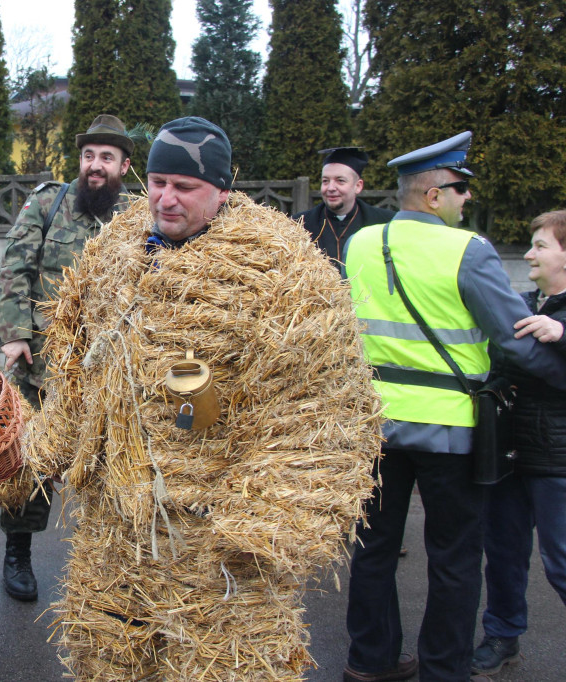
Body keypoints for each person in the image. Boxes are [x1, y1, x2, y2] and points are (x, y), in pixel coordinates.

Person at [21, 117, 385, 679]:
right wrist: (37, 451)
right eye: (157, 181)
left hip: (212, 540)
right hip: (114, 528)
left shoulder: (281, 272)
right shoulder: (113, 251)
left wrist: (263, 517)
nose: (164, 199)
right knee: (108, 659)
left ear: (222, 188)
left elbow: (318, 407)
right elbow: (75, 363)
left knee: (219, 664)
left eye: (184, 187)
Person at [341, 133, 566, 682]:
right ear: (434, 195)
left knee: (372, 551)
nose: (467, 199)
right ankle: (444, 669)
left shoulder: (361, 243)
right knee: (454, 560)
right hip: (452, 430)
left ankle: (369, 663)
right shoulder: (469, 250)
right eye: (461, 188)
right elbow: (513, 340)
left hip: (375, 424)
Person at [0, 113, 134, 601]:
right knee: (31, 465)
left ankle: (106, 567)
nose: (96, 166)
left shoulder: (138, 216)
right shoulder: (48, 202)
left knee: (109, 468)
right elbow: (15, 264)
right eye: (89, 156)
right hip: (43, 367)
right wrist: (14, 334)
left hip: (110, 372)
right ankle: (18, 555)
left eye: (107, 158)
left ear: (124, 165)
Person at [473, 209, 566, 675]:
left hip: (557, 460)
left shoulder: (557, 317)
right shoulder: (524, 304)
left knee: (561, 562)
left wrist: (564, 331)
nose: (528, 253)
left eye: (541, 246)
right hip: (510, 455)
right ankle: (502, 634)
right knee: (504, 554)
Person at [293, 147, 395, 266]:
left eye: (340, 181)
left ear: (358, 186)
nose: (331, 188)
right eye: (325, 181)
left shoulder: (383, 223)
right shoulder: (300, 224)